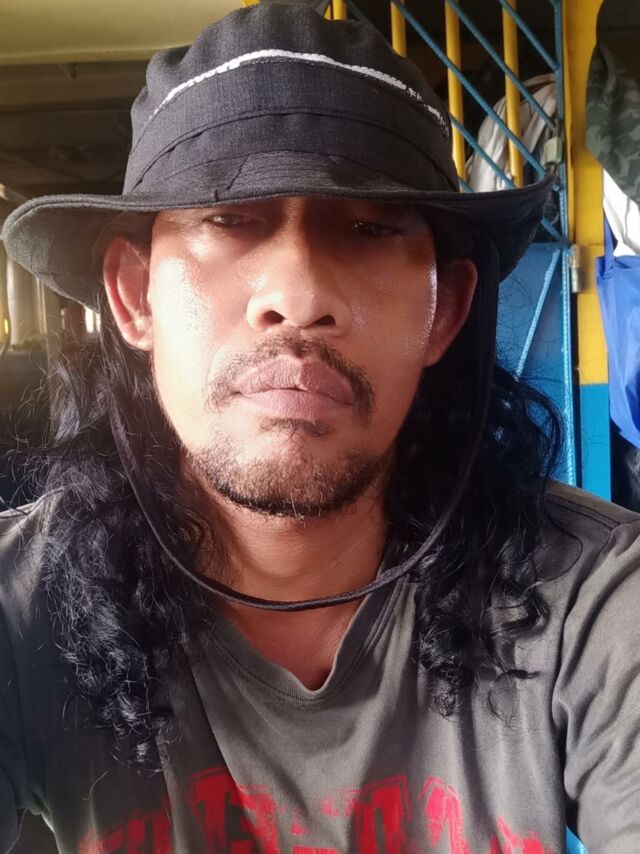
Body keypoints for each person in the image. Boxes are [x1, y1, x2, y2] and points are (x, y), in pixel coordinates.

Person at [1, 3, 639, 852]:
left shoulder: (595, 600)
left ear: (444, 313)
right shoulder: (22, 606)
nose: (298, 295)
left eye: (369, 229)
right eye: (230, 219)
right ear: (133, 296)